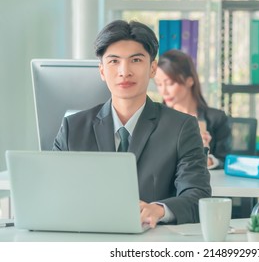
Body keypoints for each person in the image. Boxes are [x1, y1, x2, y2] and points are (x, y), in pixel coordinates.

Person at [52, 20, 211, 227]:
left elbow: (198, 196)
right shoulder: (73, 128)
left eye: (136, 60)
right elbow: (53, 193)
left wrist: (160, 209)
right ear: (102, 71)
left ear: (153, 68)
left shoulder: (181, 127)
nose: (124, 71)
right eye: (114, 61)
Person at [155, 49, 231, 170]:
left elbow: (228, 161)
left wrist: (208, 160)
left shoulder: (216, 119)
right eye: (159, 84)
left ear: (189, 80)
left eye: (169, 83)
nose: (163, 91)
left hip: (208, 185)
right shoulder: (156, 118)